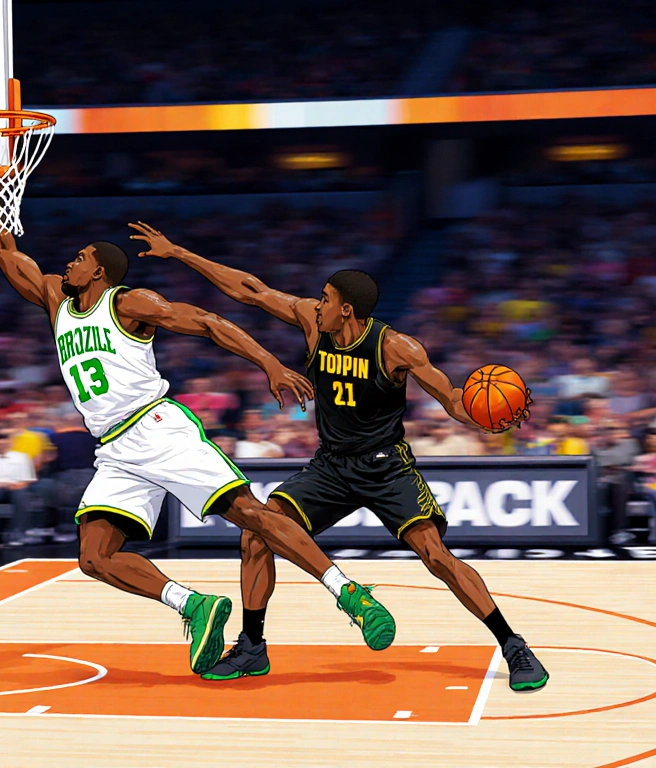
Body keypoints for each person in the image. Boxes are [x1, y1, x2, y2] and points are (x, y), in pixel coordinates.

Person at [135, 222, 547, 691]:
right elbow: (250, 290)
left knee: (435, 555)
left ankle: (513, 645)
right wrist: (179, 253)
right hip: (331, 465)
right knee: (257, 532)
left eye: (327, 298)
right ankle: (253, 647)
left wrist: (487, 416)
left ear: (346, 309)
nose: (318, 302)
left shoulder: (396, 348)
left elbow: (452, 400)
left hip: (385, 466)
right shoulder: (314, 323)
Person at [0, 225, 393, 677]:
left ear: (99, 271)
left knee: (249, 515)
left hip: (156, 428)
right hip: (114, 447)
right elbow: (3, 253)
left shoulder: (126, 303)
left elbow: (208, 323)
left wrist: (269, 363)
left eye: (79, 257)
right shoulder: (57, 302)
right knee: (94, 557)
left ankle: (348, 592)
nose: (69, 263)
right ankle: (194, 605)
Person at [594, 421, 640, 545]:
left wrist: (616, 467)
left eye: (613, 430)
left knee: (619, 485)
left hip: (625, 480)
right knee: (600, 486)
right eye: (606, 430)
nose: (610, 433)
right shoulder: (595, 447)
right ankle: (597, 530)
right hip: (601, 480)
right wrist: (614, 467)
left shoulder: (630, 445)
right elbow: (594, 467)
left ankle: (620, 531)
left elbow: (635, 465)